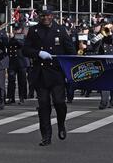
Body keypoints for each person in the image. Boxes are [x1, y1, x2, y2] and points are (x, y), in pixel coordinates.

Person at [22, 8, 76, 146]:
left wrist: (71, 69)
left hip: (57, 72)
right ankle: (46, 135)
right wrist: (38, 53)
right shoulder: (34, 31)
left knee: (59, 103)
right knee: (44, 105)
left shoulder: (61, 30)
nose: (45, 18)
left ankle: (61, 124)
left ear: (52, 16)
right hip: (41, 72)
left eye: (47, 15)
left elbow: (71, 51)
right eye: (42, 15)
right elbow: (25, 50)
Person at [6, 23, 29, 105]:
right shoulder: (11, 38)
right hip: (12, 62)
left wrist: (15, 38)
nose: (15, 30)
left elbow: (22, 45)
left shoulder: (24, 37)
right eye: (15, 29)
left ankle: (22, 98)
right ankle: (10, 97)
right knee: (11, 80)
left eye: (17, 29)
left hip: (22, 62)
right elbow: (7, 47)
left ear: (21, 29)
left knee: (22, 81)